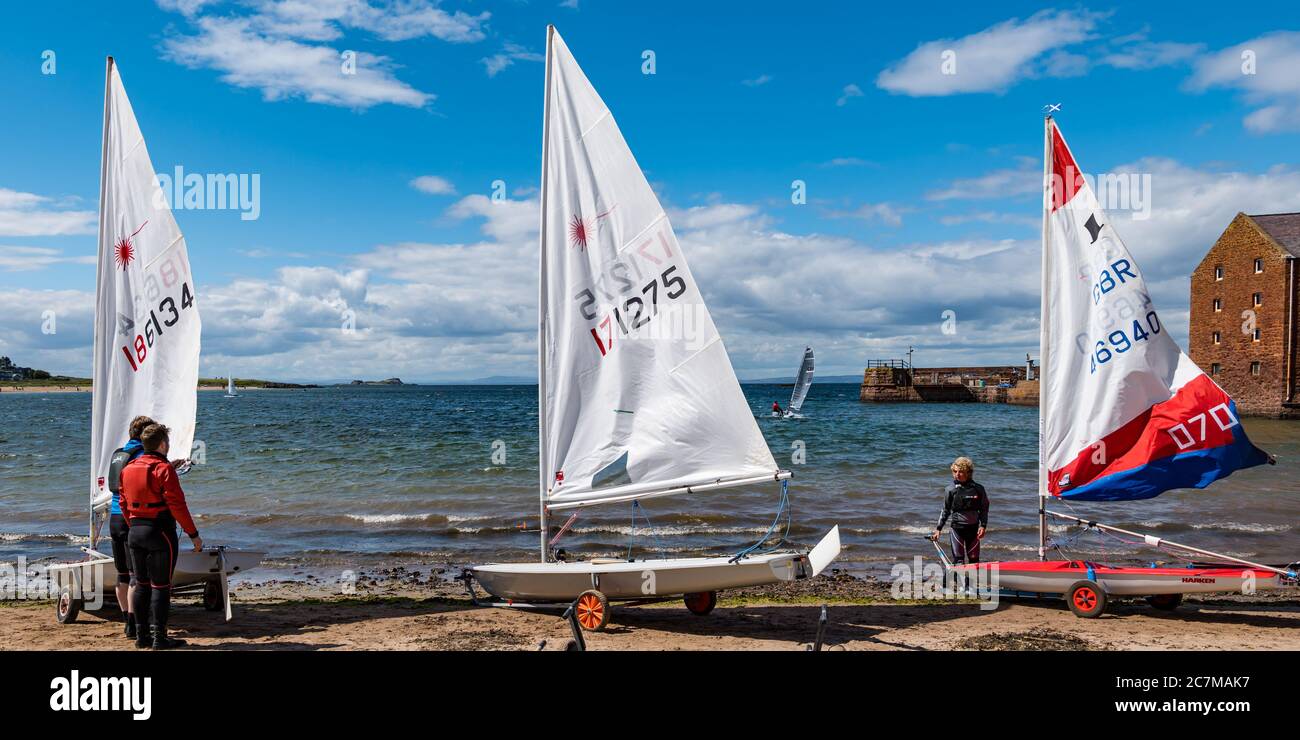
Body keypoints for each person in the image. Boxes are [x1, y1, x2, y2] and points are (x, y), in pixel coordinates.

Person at [120, 423, 202, 649]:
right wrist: (193, 534)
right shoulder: (163, 470)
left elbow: (123, 502)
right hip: (160, 533)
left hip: (135, 533)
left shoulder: (128, 468)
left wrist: (135, 526)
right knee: (161, 586)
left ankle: (141, 637)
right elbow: (178, 505)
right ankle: (159, 639)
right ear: (163, 444)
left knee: (141, 584)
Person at [107, 415, 155, 640]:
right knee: (137, 574)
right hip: (129, 518)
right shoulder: (141, 455)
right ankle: (136, 624)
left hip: (113, 519)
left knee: (122, 574)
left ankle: (127, 621)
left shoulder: (118, 453)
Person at [930, 456, 988, 564]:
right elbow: (945, 510)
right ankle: (952, 580)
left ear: (968, 473)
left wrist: (983, 526)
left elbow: (984, 509)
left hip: (973, 530)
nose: (957, 474)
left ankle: (970, 581)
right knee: (958, 561)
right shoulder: (950, 489)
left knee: (974, 561)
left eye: (961, 471)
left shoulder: (979, 489)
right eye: (955, 471)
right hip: (957, 530)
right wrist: (938, 529)